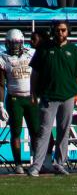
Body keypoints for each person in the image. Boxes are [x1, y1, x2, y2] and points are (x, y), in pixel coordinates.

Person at [28, 22, 77, 176]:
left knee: (64, 131)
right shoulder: (44, 48)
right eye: (57, 30)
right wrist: (33, 93)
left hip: (67, 96)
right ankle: (37, 165)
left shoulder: (73, 50)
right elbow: (35, 73)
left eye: (63, 30)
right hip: (48, 95)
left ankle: (59, 163)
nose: (60, 33)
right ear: (53, 31)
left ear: (68, 32)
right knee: (43, 131)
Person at [0, 29, 39, 173]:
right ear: (7, 43)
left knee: (35, 131)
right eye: (12, 43)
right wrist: (0, 105)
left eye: (17, 43)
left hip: (31, 97)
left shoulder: (31, 54)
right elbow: (1, 83)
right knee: (15, 132)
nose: (15, 46)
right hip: (14, 98)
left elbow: (39, 75)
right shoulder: (3, 58)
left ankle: (37, 161)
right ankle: (18, 164)